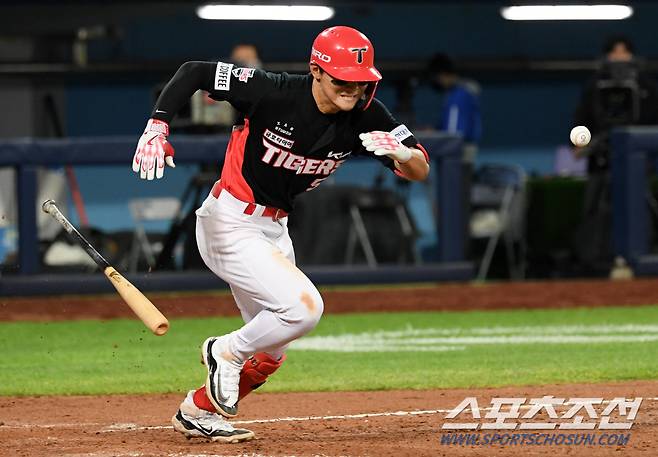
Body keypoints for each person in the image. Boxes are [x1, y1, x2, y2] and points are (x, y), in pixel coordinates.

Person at [132, 25, 430, 443]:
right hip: (230, 221)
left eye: (362, 81)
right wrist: (158, 125)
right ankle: (224, 351)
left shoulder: (369, 115)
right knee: (304, 310)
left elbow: (420, 168)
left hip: (273, 229)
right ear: (316, 70)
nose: (353, 88)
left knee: (272, 350)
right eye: (343, 78)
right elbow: (195, 71)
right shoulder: (270, 90)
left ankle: (198, 411)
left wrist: (403, 154)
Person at [573, 36, 658, 268]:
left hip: (638, 161)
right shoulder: (595, 85)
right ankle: (593, 259)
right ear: (606, 56)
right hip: (600, 156)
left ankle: (643, 254)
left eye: (624, 52)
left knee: (640, 205)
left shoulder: (646, 86)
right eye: (614, 52)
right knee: (594, 206)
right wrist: (580, 144)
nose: (619, 57)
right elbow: (581, 121)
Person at [428, 53, 482, 257]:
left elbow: (453, 135)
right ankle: (457, 256)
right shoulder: (460, 93)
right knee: (456, 211)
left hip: (459, 162)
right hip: (462, 160)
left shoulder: (459, 95)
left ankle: (458, 258)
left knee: (456, 212)